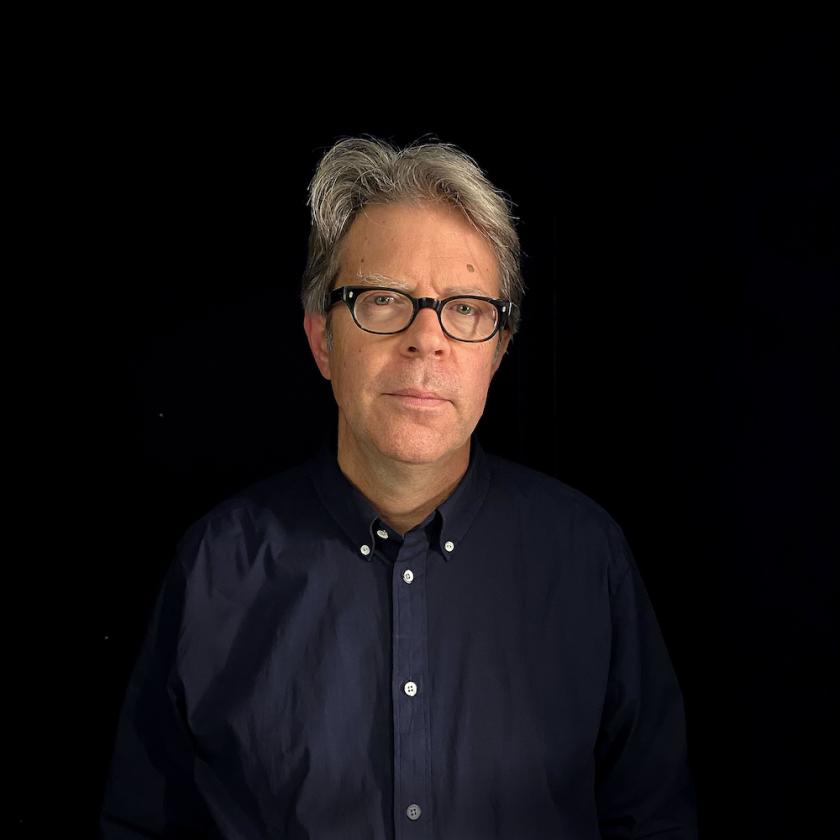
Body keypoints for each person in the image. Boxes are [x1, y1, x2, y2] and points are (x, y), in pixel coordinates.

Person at [100, 136, 698, 839]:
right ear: (322, 339)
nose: (427, 339)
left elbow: (654, 822)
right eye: (384, 300)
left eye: (465, 308)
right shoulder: (216, 568)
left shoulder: (587, 558)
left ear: (498, 351)